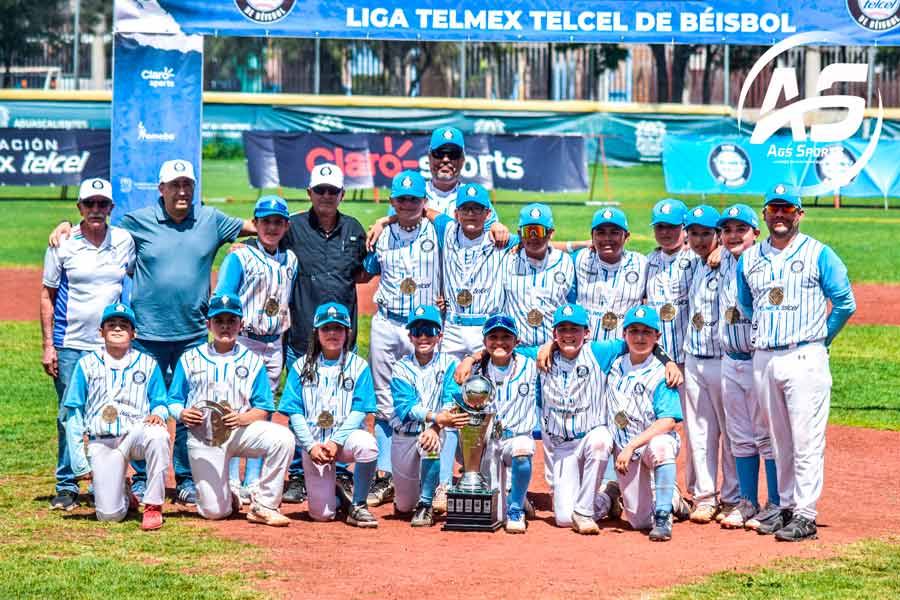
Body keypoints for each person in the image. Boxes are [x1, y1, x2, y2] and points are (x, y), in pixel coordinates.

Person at [49, 159, 256, 505]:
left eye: (187, 184)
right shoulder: (136, 223)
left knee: (190, 407)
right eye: (174, 185)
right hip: (146, 334)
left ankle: (185, 477)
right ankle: (143, 478)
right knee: (142, 408)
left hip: (191, 333)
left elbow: (260, 225)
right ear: (161, 189)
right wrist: (67, 224)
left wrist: (245, 241)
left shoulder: (211, 220)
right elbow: (99, 225)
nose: (182, 191)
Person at [458, 303, 679, 534]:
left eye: (575, 329)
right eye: (562, 329)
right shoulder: (538, 356)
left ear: (587, 332)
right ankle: (607, 498)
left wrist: (668, 361)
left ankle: (585, 513)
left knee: (602, 440)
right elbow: (501, 347)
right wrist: (471, 359)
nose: (569, 335)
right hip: (562, 446)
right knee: (563, 518)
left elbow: (641, 343)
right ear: (554, 334)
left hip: (591, 437)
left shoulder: (599, 352)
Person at [737, 184, 856, 541]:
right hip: (764, 356)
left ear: (799, 214)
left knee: (805, 439)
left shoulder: (820, 253)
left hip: (804, 353)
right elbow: (747, 305)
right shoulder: (750, 258)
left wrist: (821, 338)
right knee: (778, 439)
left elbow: (845, 303)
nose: (780, 215)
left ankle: (805, 514)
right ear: (764, 214)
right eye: (774, 209)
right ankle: (786, 507)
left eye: (787, 210)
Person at [41, 177, 135, 510]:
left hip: (110, 345)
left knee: (107, 412)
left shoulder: (123, 240)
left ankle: (103, 479)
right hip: (70, 343)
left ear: (111, 208)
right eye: (89, 204)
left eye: (102, 204)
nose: (96, 210)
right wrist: (48, 345)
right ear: (79, 207)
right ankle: (66, 484)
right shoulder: (62, 243)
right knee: (70, 413)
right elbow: (48, 295)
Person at [279, 163, 369, 505]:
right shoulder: (294, 227)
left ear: (342, 194)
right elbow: (269, 243)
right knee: (302, 407)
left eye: (333, 191)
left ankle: (341, 472)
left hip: (343, 341)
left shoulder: (355, 229)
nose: (326, 197)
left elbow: (362, 272)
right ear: (309, 193)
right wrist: (250, 247)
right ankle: (300, 475)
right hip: (302, 335)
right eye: (321, 191)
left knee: (343, 404)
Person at [168, 292, 295, 527]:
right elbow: (173, 400)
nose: (225, 326)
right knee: (214, 513)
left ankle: (265, 505)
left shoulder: (253, 360)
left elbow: (264, 407)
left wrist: (242, 418)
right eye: (219, 321)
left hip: (239, 431)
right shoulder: (190, 358)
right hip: (204, 437)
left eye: (231, 321)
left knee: (283, 438)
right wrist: (182, 414)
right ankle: (229, 496)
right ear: (209, 324)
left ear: (241, 324)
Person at [360, 170, 442, 509]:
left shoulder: (437, 231)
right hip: (387, 322)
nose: (408, 204)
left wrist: (386, 216)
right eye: (401, 199)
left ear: (425, 202)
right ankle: (385, 474)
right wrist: (385, 222)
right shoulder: (382, 236)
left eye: (414, 199)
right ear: (393, 200)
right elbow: (365, 270)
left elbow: (453, 218)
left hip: (421, 328)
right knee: (384, 401)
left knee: (427, 397)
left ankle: (428, 472)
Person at [215, 195, 298, 503]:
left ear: (286, 225)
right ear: (256, 223)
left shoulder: (291, 260)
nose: (272, 227)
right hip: (244, 339)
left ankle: (253, 479)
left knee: (263, 408)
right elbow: (223, 296)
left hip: (274, 341)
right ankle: (232, 479)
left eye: (278, 222)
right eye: (266, 221)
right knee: (237, 406)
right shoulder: (239, 257)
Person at [62, 303, 169, 530]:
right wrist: (80, 463)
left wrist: (158, 414)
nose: (118, 329)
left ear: (134, 333)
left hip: (135, 434)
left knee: (158, 435)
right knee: (109, 516)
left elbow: (160, 401)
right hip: (102, 440)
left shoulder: (148, 364)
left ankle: (153, 505)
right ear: (101, 331)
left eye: (124, 325)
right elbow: (73, 412)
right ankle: (123, 491)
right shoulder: (86, 364)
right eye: (111, 324)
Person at [278, 302, 380, 528]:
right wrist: (311, 446)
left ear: (347, 332)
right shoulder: (299, 367)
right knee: (322, 515)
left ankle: (359, 504)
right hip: (314, 444)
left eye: (338, 328)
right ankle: (335, 495)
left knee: (368, 445)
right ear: (316, 332)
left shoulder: (359, 366)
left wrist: (336, 441)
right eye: (326, 328)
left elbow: (359, 411)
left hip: (345, 442)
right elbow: (294, 413)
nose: (332, 333)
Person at [715, 204, 780, 531]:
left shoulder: (765, 261)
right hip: (730, 359)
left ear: (756, 232)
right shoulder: (722, 257)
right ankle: (747, 501)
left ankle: (776, 503)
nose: (733, 236)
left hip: (758, 358)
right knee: (739, 436)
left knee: (766, 435)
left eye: (741, 229)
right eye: (726, 230)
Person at [606, 305, 692, 542]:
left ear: (658, 337)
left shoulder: (663, 372)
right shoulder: (613, 364)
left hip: (646, 444)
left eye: (647, 332)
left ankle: (666, 510)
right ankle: (671, 498)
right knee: (639, 521)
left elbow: (668, 421)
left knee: (661, 446)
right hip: (627, 452)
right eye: (634, 331)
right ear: (624, 335)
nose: (640, 337)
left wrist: (632, 446)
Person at [456, 314, 541, 534]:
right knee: (491, 513)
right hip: (487, 443)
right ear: (484, 342)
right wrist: (471, 358)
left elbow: (555, 345)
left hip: (517, 437)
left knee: (523, 451)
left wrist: (471, 356)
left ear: (517, 341)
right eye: (493, 336)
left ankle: (516, 508)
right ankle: (517, 498)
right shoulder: (474, 371)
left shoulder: (530, 363)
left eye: (506, 336)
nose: (500, 341)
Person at [681, 205, 739, 524]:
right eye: (694, 233)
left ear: (717, 235)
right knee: (699, 431)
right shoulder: (694, 263)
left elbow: (747, 248)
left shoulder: (730, 259)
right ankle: (704, 497)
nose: (700, 240)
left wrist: (724, 252)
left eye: (707, 233)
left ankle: (732, 497)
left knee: (730, 432)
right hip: (694, 358)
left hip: (723, 359)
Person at [389, 305, 465, 527]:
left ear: (439, 335)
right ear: (410, 336)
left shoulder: (450, 363)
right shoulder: (400, 367)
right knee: (403, 505)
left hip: (433, 432)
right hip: (404, 434)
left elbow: (451, 400)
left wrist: (435, 427)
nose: (423, 337)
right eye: (418, 331)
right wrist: (435, 418)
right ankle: (417, 494)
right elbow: (406, 407)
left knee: (432, 443)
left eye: (429, 331)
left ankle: (425, 504)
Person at [644, 198, 697, 500]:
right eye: (660, 227)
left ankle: (698, 492)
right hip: (659, 361)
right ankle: (662, 487)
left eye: (672, 227)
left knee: (698, 430)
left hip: (693, 359)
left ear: (684, 229)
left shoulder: (699, 259)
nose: (665, 233)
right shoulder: (648, 262)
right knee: (658, 425)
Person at [501, 204, 576, 348]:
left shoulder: (567, 262)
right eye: (528, 231)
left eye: (538, 231)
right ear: (519, 233)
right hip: (517, 350)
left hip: (553, 349)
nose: (533, 237)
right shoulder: (506, 261)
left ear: (551, 233)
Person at [572, 207, 648, 341]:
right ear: (592, 236)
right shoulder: (579, 259)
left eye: (614, 232)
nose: (607, 238)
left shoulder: (642, 263)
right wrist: (579, 244)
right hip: (585, 349)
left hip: (626, 350)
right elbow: (544, 247)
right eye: (600, 233)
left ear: (626, 236)